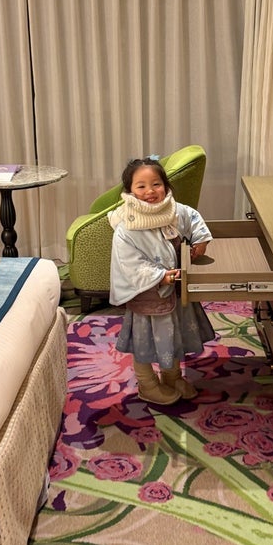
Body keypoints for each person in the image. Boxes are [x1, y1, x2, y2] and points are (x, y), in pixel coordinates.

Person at [109, 156, 214, 405]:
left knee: (172, 336)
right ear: (130, 191)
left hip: (174, 291)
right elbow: (130, 263)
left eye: (156, 184)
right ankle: (147, 384)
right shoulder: (127, 227)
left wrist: (201, 239)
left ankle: (172, 377)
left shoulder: (174, 210)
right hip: (147, 296)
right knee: (144, 343)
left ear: (165, 186)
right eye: (141, 186)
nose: (150, 191)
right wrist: (159, 276)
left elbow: (192, 218)